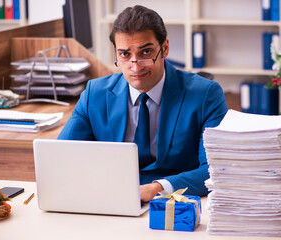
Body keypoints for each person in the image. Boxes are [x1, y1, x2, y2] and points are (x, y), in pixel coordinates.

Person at [58, 5, 228, 202]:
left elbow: (216, 169)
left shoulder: (206, 94)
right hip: (112, 201)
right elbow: (61, 158)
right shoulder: (94, 94)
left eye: (146, 52)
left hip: (176, 203)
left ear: (164, 48)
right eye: (124, 55)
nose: (135, 65)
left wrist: (158, 188)